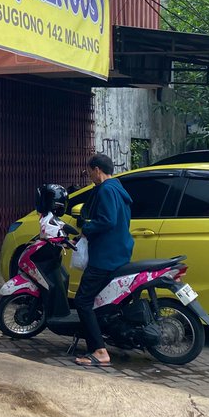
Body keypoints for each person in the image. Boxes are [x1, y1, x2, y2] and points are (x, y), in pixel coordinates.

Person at [73, 152, 133, 368]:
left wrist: (87, 228)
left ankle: (100, 351)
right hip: (119, 252)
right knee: (97, 301)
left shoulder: (106, 189)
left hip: (105, 256)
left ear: (97, 170)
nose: (89, 176)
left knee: (82, 301)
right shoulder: (118, 187)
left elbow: (107, 220)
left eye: (89, 171)